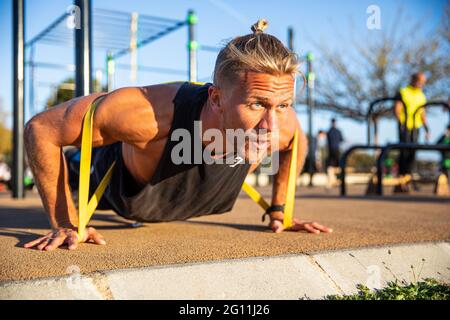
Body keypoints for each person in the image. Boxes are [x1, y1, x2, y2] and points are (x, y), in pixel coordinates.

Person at [23, 20, 332, 251]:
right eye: (256, 104)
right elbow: (41, 128)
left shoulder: (276, 119)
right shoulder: (149, 114)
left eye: (283, 105)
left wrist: (281, 209)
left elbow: (296, 140)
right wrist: (65, 221)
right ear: (215, 98)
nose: (271, 125)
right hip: (99, 178)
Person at [394, 72, 429, 193]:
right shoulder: (403, 92)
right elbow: (397, 108)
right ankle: (401, 180)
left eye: (424, 82)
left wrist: (426, 128)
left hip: (416, 127)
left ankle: (408, 180)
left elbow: (422, 113)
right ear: (414, 80)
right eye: (420, 81)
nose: (422, 84)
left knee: (412, 154)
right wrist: (400, 123)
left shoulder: (421, 95)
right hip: (405, 127)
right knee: (404, 153)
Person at [326, 119, 343, 188]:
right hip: (333, 151)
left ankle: (337, 182)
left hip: (334, 151)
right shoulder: (333, 131)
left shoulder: (330, 131)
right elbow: (341, 140)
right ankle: (333, 182)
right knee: (333, 167)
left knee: (336, 167)